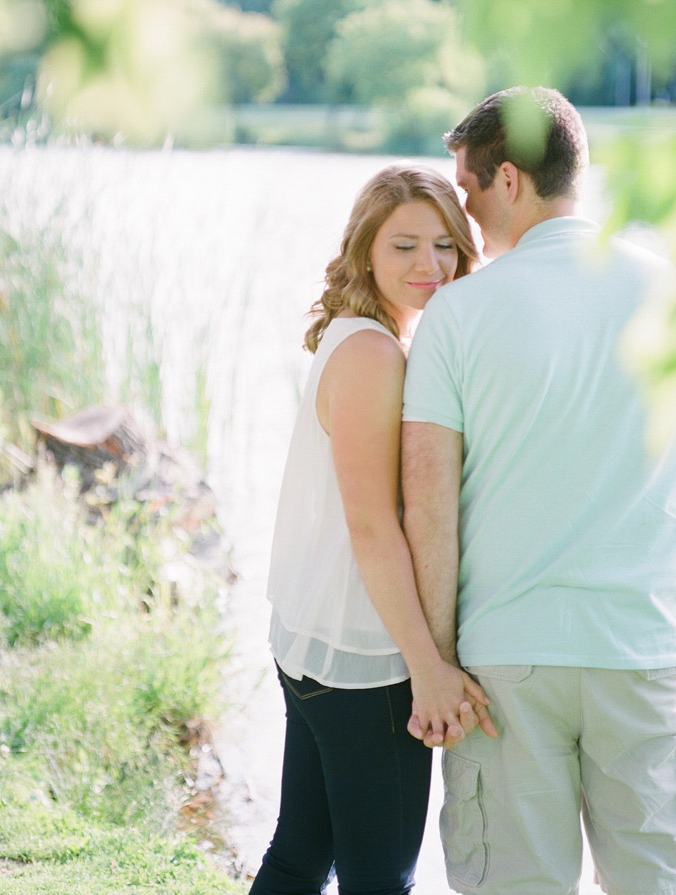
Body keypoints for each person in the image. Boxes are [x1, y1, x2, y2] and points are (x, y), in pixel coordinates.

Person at [401, 88, 676, 895]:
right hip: (641, 648)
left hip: (504, 665)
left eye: (468, 187)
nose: (464, 210)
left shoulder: (455, 314)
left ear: (510, 179)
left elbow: (428, 504)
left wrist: (440, 661)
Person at [250, 165, 496, 895]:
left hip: (320, 643)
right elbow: (371, 524)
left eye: (446, 246)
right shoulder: (372, 353)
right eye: (405, 247)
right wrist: (428, 665)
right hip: (364, 658)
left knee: (301, 856)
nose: (431, 265)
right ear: (365, 253)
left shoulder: (361, 335)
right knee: (379, 878)